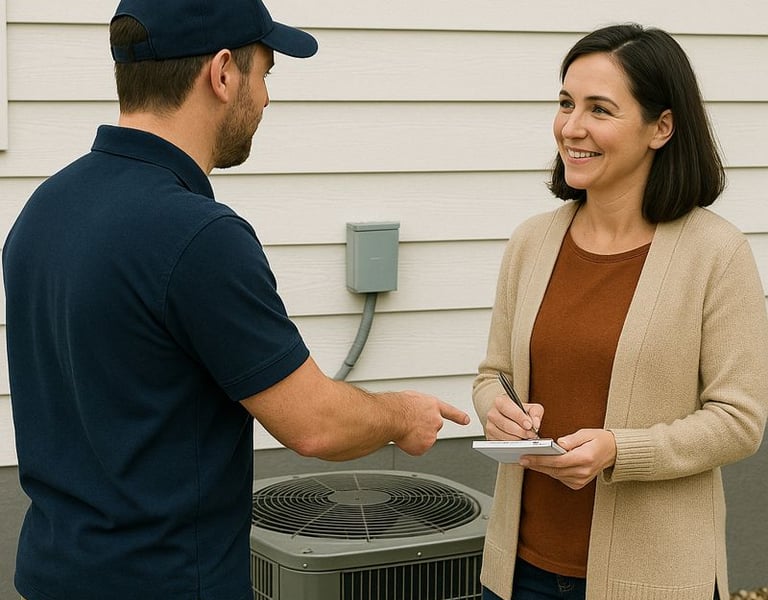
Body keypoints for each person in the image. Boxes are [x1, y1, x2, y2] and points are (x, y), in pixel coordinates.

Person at [1, 1, 470, 599]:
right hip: (167, 584)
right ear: (223, 74)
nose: (268, 98)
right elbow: (316, 425)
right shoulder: (197, 235)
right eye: (266, 72)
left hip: (51, 575)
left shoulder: (46, 207)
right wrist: (402, 415)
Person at [472, 23, 768, 600]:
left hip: (654, 580)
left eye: (600, 109)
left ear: (661, 127)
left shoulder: (717, 253)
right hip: (518, 572)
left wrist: (619, 450)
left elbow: (740, 421)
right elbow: (494, 376)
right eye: (566, 103)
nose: (572, 128)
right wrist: (496, 411)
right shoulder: (532, 242)